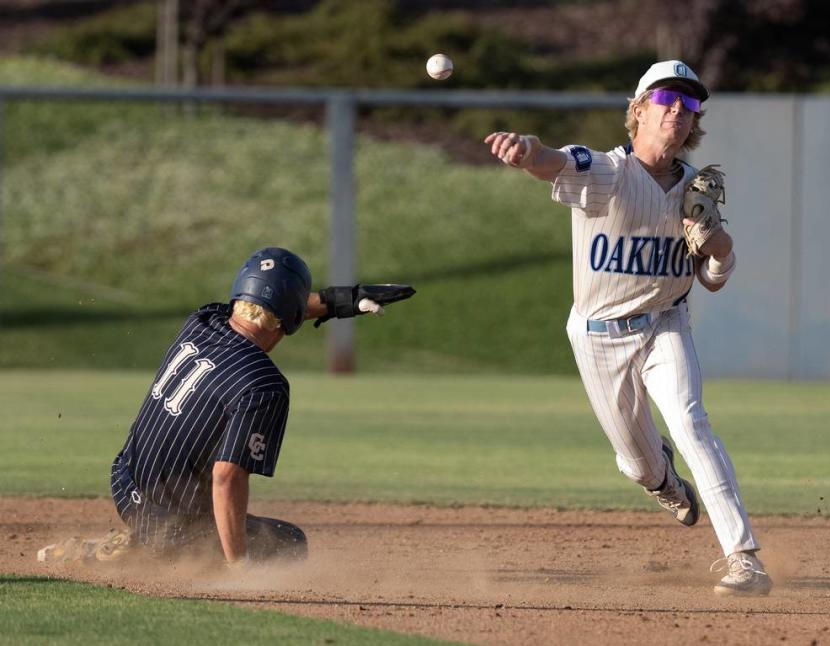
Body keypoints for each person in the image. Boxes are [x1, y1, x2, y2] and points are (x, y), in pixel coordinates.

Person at [484, 60, 772, 596]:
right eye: (667, 101)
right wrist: (526, 150)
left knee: (690, 422)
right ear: (638, 111)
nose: (679, 113)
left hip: (666, 324)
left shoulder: (696, 192)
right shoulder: (606, 173)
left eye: (689, 106)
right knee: (639, 464)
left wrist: (717, 245)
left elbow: (714, 276)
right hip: (597, 336)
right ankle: (663, 479)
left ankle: (744, 558)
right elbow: (551, 161)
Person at [103, 247, 414, 568]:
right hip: (169, 525)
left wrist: (337, 302)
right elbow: (227, 477)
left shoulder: (203, 320)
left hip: (124, 485)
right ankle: (146, 550)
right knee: (287, 543)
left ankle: (141, 540)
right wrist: (239, 565)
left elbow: (261, 307)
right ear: (290, 314)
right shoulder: (263, 383)